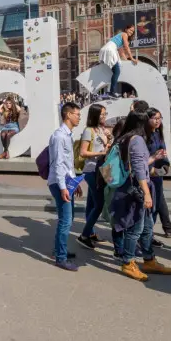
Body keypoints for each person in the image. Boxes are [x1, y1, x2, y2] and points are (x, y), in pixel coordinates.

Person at [109, 111, 171, 281]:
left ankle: (149, 259)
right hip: (136, 190)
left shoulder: (126, 138)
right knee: (135, 228)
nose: (154, 123)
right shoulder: (136, 140)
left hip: (132, 188)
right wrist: (147, 193)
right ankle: (128, 262)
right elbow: (138, 169)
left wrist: (152, 158)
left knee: (147, 227)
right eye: (150, 120)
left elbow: (138, 164)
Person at [47, 102, 82, 271]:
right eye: (77, 114)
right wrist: (63, 188)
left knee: (67, 218)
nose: (79, 117)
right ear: (68, 115)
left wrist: (75, 183)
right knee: (66, 221)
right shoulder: (59, 136)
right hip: (59, 182)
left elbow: (68, 164)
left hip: (67, 182)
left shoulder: (67, 135)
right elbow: (58, 164)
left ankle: (58, 250)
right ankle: (61, 257)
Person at [76, 104, 109, 249]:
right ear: (95, 115)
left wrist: (109, 137)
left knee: (91, 203)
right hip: (92, 170)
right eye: (102, 114)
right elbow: (83, 152)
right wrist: (101, 153)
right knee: (99, 204)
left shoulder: (102, 129)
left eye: (105, 114)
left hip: (103, 169)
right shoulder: (88, 131)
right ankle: (84, 235)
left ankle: (90, 232)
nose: (104, 116)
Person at [145, 108, 171, 241]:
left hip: (158, 174)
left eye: (159, 118)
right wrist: (151, 169)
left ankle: (158, 232)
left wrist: (165, 165)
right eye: (154, 118)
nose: (157, 121)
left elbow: (162, 151)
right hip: (148, 175)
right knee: (152, 206)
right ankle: (147, 236)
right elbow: (141, 158)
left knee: (158, 202)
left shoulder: (158, 133)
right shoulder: (143, 136)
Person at [97, 25, 138, 98]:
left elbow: (122, 53)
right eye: (130, 30)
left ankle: (110, 91)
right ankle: (111, 92)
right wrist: (132, 58)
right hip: (110, 50)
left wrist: (127, 62)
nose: (131, 32)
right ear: (126, 29)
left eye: (132, 31)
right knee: (117, 72)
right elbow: (126, 47)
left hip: (106, 49)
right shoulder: (124, 34)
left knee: (115, 71)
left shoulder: (119, 40)